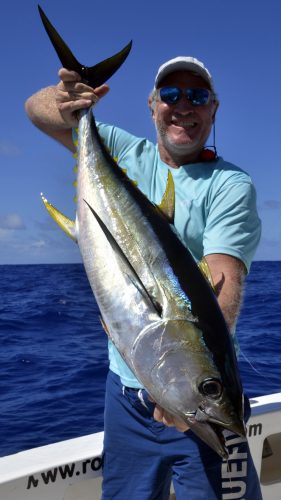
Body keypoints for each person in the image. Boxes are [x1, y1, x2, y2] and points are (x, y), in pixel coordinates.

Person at [25, 56, 262, 499]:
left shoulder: (230, 185)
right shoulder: (117, 149)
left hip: (190, 398)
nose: (184, 105)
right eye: (171, 95)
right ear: (153, 105)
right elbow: (35, 111)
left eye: (198, 96)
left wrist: (193, 394)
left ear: (214, 109)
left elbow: (223, 285)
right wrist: (67, 99)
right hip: (125, 396)